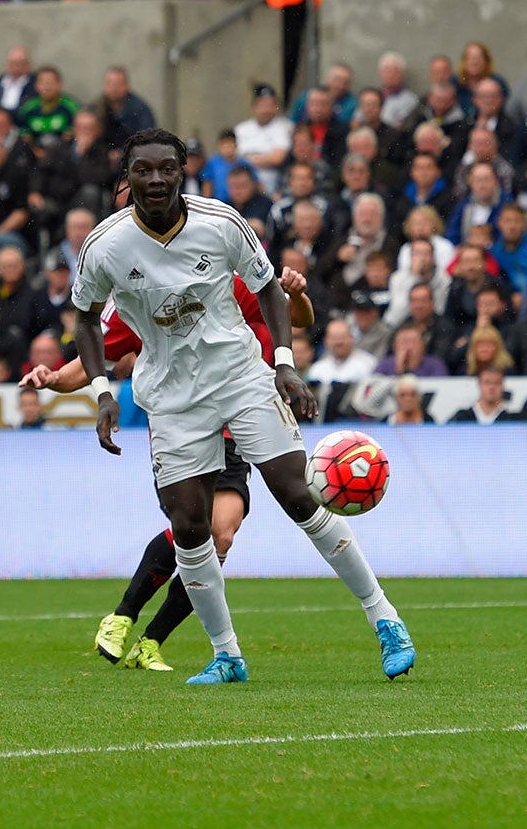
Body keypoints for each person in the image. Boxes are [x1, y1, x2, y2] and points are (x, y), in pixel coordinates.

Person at [71, 129, 415, 683]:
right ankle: (226, 655)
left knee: (297, 495)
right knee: (189, 525)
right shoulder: (104, 246)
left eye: (166, 169)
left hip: (239, 376)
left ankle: (386, 620)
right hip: (172, 398)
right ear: (127, 176)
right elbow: (85, 318)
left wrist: (283, 363)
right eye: (143, 170)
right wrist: (103, 394)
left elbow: (270, 289)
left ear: (183, 171)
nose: (155, 179)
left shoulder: (222, 223)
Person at [27, 266, 313, 671]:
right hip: (183, 424)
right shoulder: (154, 298)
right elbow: (97, 354)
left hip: (243, 423)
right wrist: (53, 377)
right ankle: (123, 614)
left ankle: (150, 643)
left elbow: (296, 317)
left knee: (220, 536)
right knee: (194, 528)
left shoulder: (236, 285)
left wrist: (297, 294)